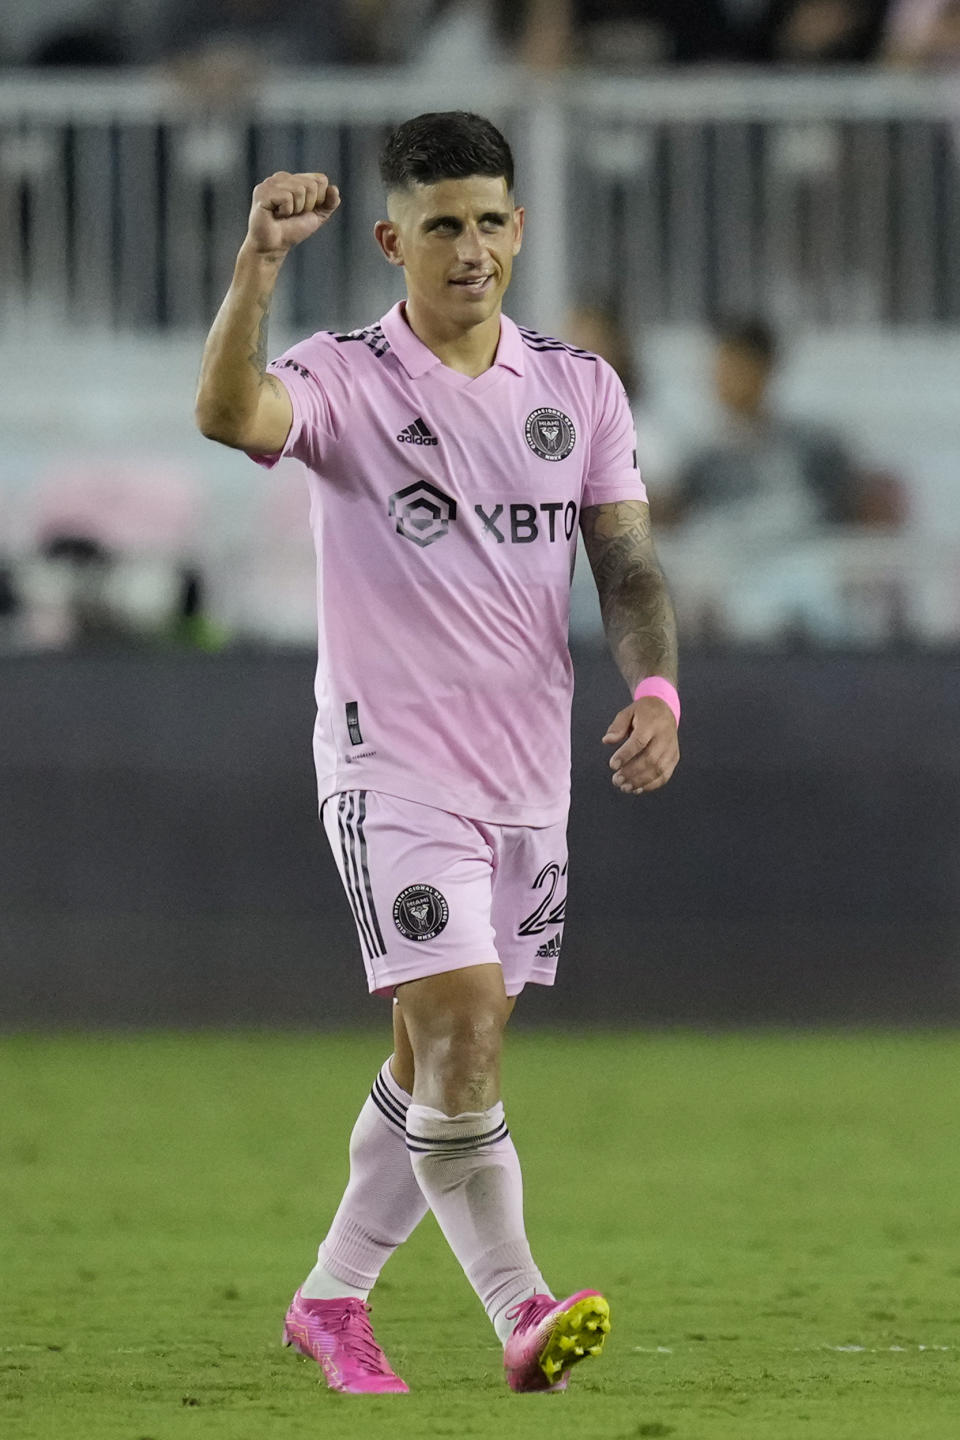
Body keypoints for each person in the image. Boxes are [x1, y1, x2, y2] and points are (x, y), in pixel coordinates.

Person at [195, 111, 679, 1397]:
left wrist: (659, 688)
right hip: (388, 764)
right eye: (444, 225)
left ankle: (329, 1299)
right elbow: (228, 410)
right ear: (392, 238)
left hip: (528, 777)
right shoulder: (345, 377)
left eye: (491, 221)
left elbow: (625, 561)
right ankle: (523, 1310)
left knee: (432, 1063)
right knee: (461, 1022)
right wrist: (255, 264)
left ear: (518, 227)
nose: (472, 248)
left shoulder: (577, 389)